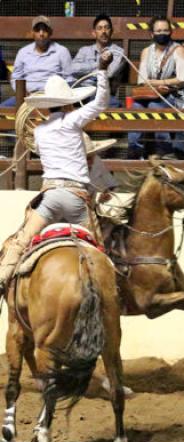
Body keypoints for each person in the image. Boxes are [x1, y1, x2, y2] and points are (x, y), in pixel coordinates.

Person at [0, 50, 113, 296]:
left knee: (21, 241)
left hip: (50, 198)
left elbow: (39, 145)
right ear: (68, 102)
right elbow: (101, 101)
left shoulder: (40, 132)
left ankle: (2, 278)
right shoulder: (72, 121)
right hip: (77, 200)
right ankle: (109, 293)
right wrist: (102, 70)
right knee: (98, 250)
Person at [127, 17, 184, 160]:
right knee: (136, 107)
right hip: (151, 93)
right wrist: (156, 85)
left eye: (165, 30)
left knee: (154, 106)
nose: (162, 33)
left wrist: (161, 83)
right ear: (152, 34)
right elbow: (142, 80)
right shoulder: (146, 52)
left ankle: (164, 150)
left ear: (170, 32)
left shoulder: (178, 50)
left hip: (175, 94)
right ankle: (134, 150)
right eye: (158, 31)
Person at [1, 16, 73, 107]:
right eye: (37, 30)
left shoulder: (62, 51)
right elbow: (15, 78)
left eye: (45, 30)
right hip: (27, 96)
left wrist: (57, 93)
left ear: (50, 32)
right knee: (2, 109)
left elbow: (69, 79)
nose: (41, 33)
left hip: (53, 98)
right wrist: (22, 93)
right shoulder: (23, 52)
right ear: (32, 33)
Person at [71, 14, 126, 107]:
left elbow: (109, 73)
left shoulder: (118, 52)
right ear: (94, 33)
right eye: (99, 28)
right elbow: (73, 69)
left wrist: (84, 72)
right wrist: (99, 64)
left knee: (112, 103)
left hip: (101, 92)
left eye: (106, 28)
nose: (103, 31)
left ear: (111, 31)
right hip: (81, 91)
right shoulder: (84, 50)